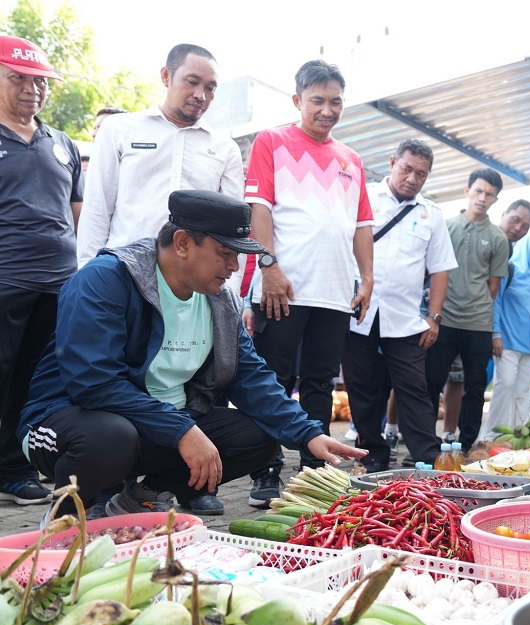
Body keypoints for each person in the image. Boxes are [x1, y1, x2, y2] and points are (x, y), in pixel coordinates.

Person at [18, 191, 365, 519]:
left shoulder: (220, 300)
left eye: (239, 255)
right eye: (225, 253)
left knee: (260, 436)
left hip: (158, 426)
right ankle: (68, 515)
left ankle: (140, 498)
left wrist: (308, 433)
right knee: (111, 437)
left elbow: (252, 377)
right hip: (68, 423)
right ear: (183, 242)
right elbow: (92, 383)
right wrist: (183, 430)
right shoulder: (104, 281)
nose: (234, 266)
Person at [243, 59, 373, 506]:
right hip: (284, 287)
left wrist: (367, 277)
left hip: (335, 293)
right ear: (298, 100)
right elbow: (258, 208)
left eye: (335, 101)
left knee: (320, 382)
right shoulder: (272, 141)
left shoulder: (351, 159)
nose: (327, 109)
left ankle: (315, 473)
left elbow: (362, 225)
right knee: (272, 380)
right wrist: (269, 266)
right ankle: (264, 470)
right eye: (317, 100)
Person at [0, 35, 82, 507]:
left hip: (57, 285)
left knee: (32, 380)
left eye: (40, 81)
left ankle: (12, 469)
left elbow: (75, 214)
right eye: (19, 78)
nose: (32, 90)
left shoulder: (63, 144)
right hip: (5, 281)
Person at [76, 44, 243, 268]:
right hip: (123, 271)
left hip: (192, 281)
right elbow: (97, 209)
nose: (201, 95)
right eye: (192, 82)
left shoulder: (225, 148)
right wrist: (88, 273)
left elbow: (231, 227)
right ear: (166, 76)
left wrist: (227, 292)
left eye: (210, 88)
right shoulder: (119, 129)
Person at [343, 139, 455, 473]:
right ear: (393, 162)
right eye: (406, 168)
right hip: (359, 311)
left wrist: (433, 317)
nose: (412, 178)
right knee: (363, 386)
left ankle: (427, 455)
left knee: (415, 387)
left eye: (421, 174)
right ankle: (372, 452)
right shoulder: (362, 197)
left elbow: (440, 269)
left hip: (404, 318)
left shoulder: (431, 215)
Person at [425, 168, 509, 452]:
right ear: (467, 190)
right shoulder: (444, 227)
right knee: (430, 382)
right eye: (479, 191)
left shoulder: (498, 238)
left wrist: (474, 303)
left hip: (478, 324)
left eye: (490, 195)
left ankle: (466, 444)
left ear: (496, 199)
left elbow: (493, 286)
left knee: (475, 388)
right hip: (442, 319)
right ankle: (426, 442)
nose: (483, 198)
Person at [484, 233, 530, 437]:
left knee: (525, 393)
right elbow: (495, 302)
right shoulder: (510, 270)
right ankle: (491, 437)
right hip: (507, 342)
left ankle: (519, 438)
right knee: (504, 387)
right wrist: (495, 334)